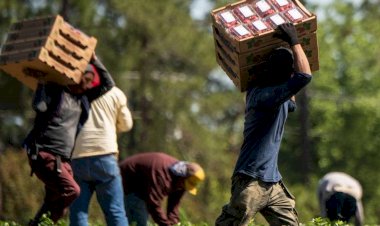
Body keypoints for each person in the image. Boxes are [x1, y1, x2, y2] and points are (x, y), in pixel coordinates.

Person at [215, 23, 313, 226]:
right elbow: (304, 76)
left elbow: (295, 87)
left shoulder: (280, 96)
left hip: (272, 182)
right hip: (250, 180)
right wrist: (294, 40)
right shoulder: (263, 95)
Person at [23, 54, 114, 225]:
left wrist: (94, 59)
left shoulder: (83, 100)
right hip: (44, 154)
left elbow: (108, 84)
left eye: (89, 81)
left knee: (56, 202)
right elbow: (38, 106)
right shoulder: (56, 91)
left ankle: (38, 223)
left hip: (63, 161)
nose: (86, 84)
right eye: (84, 79)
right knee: (72, 191)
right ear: (74, 77)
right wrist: (41, 83)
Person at [69, 79, 133, 226]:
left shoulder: (73, 91)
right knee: (115, 211)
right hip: (105, 156)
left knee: (78, 212)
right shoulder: (115, 93)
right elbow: (127, 124)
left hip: (77, 157)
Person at [119, 152, 205, 226]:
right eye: (186, 184)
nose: (184, 187)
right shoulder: (162, 175)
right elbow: (153, 204)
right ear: (183, 176)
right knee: (139, 221)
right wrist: (165, 224)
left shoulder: (181, 180)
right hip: (129, 181)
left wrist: (174, 223)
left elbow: (173, 206)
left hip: (145, 188)